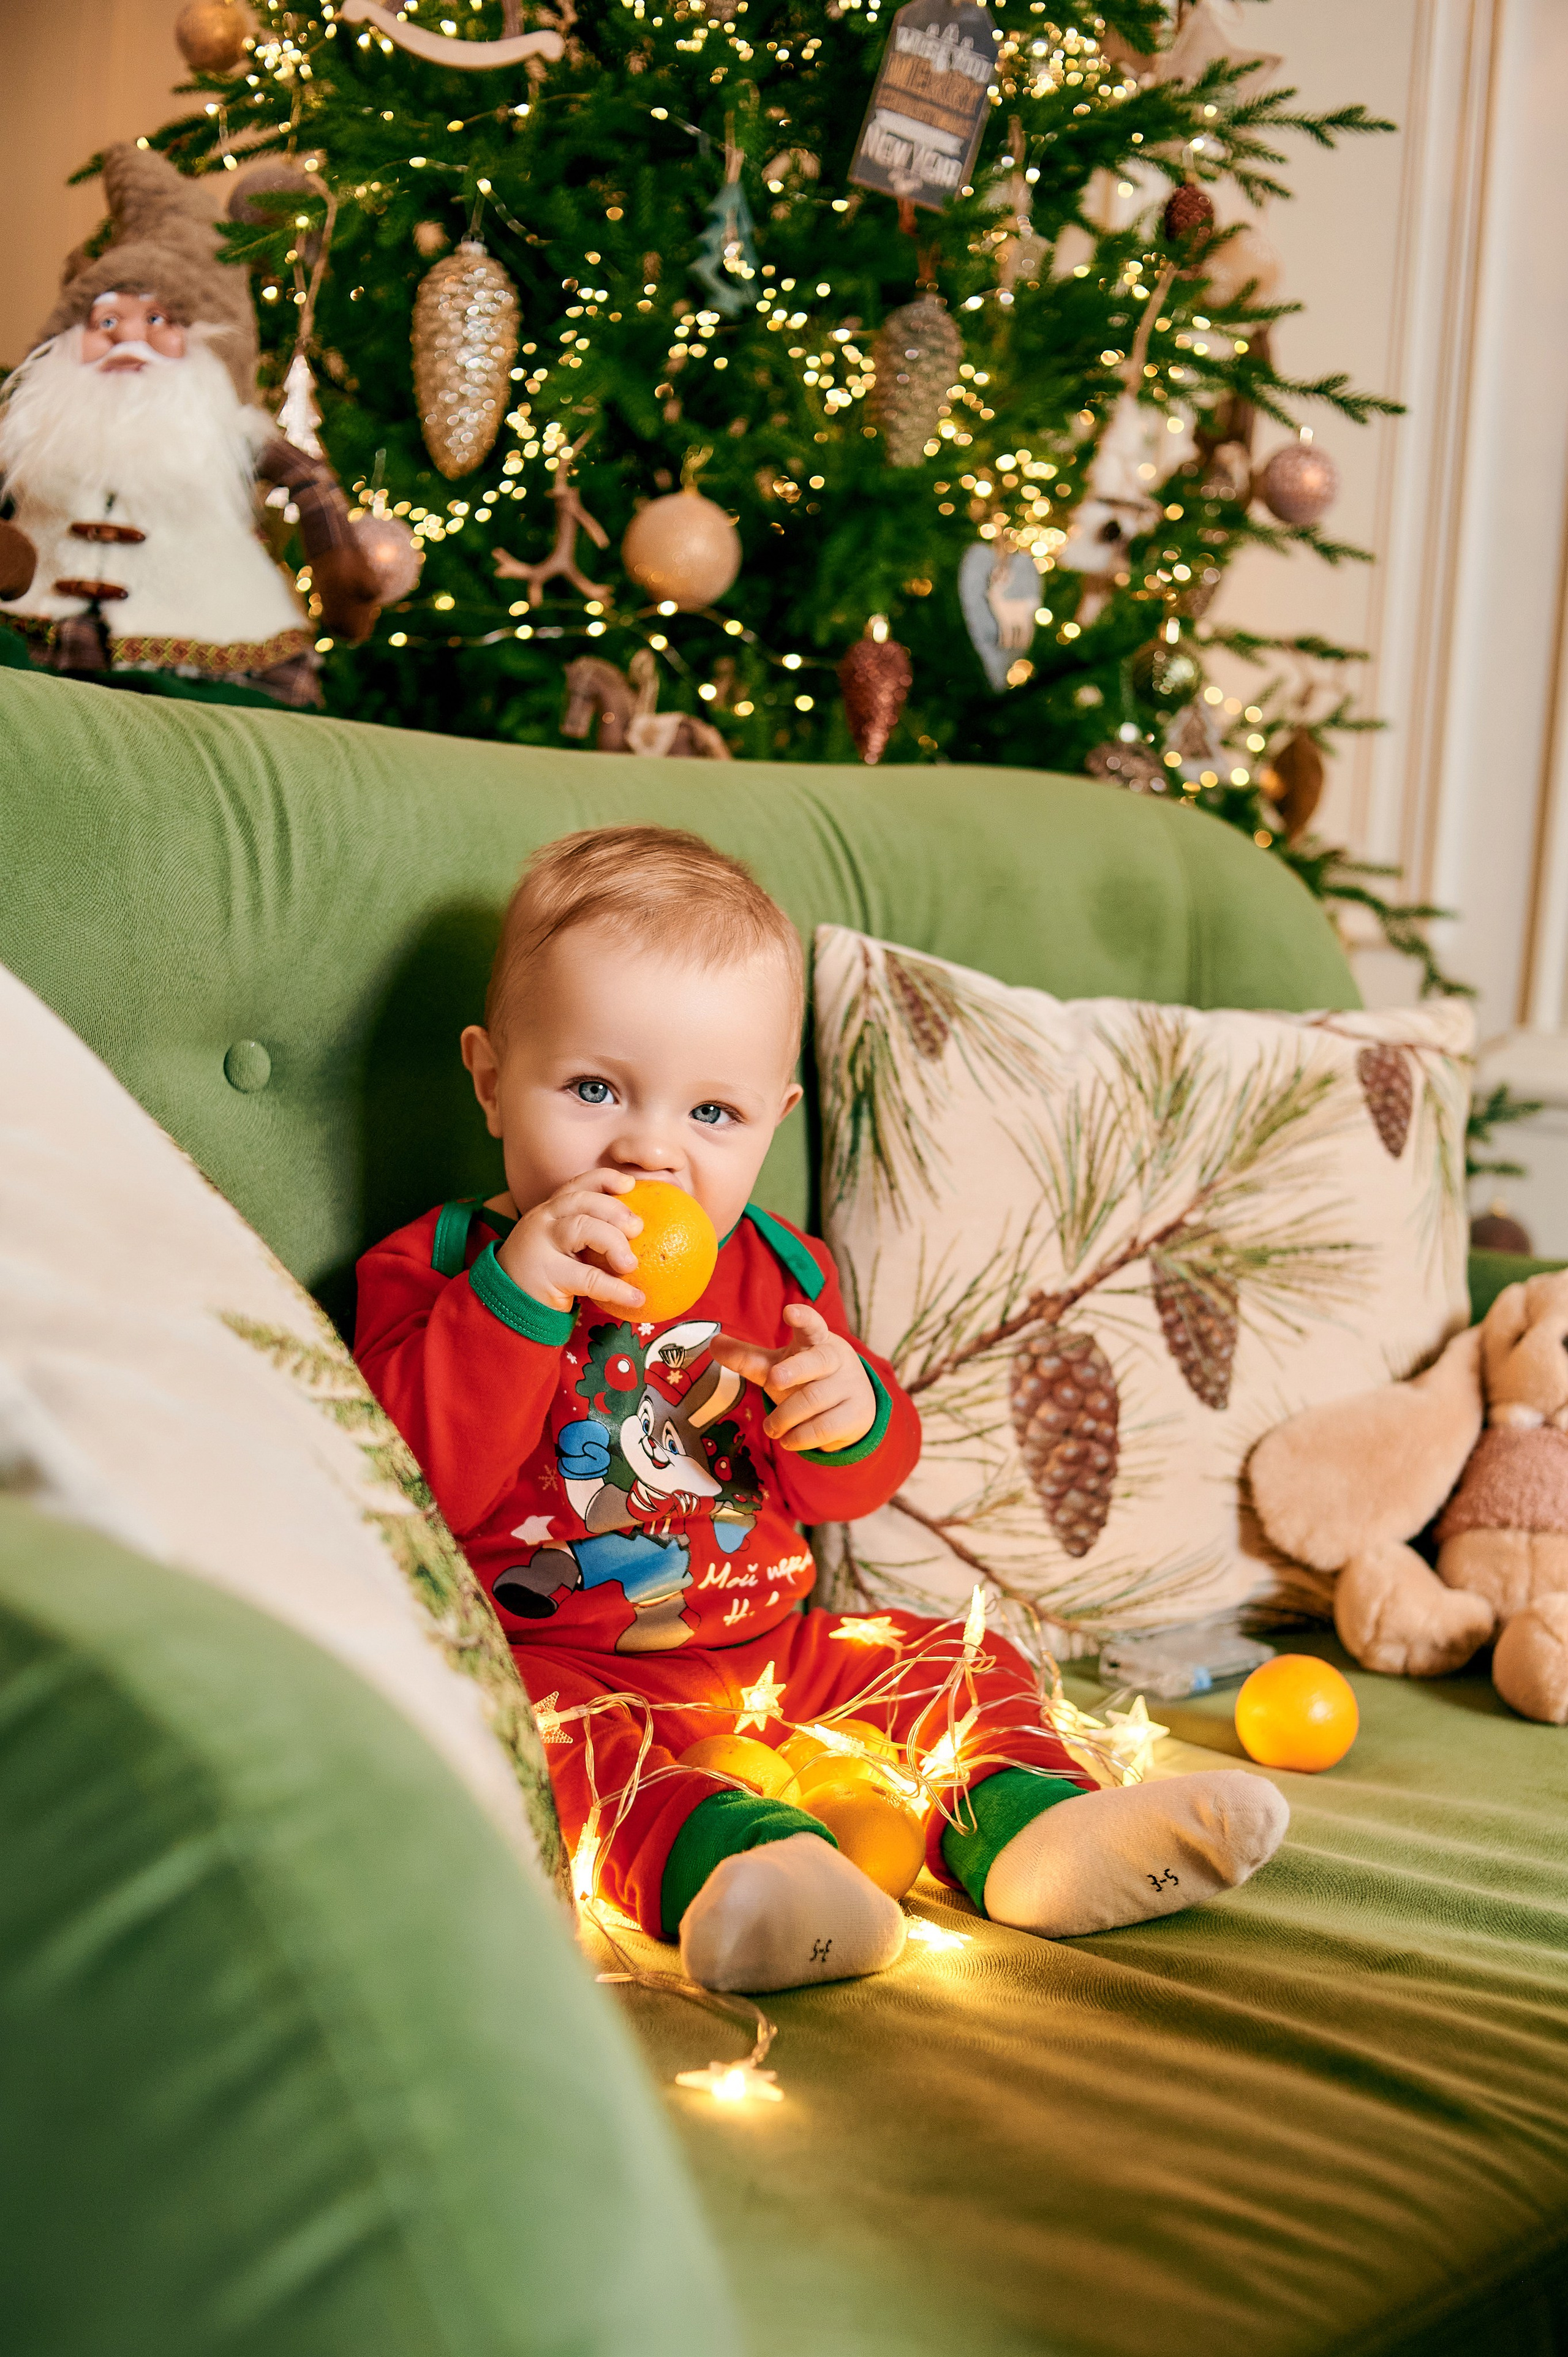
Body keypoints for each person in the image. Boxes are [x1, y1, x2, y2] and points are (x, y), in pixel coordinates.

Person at [355, 826, 1288, 1993]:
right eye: (594, 1089)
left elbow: (847, 1480)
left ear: (773, 1115)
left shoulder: (780, 1272)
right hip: (563, 1662)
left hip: (781, 1648)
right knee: (536, 1750)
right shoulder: (440, 1265)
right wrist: (519, 1293)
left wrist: (847, 1411)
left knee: (959, 1655)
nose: (649, 1151)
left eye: (713, 1114)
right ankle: (747, 1874)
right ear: (493, 1079)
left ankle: (1034, 1831)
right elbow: (414, 1483)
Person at [0, 143, 378, 708]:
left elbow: (309, 483)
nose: (131, 338)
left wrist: (340, 567)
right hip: (38, 630)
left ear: (204, 340)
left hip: (209, 638)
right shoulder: (27, 430)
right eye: (107, 321)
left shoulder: (228, 431)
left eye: (158, 321)